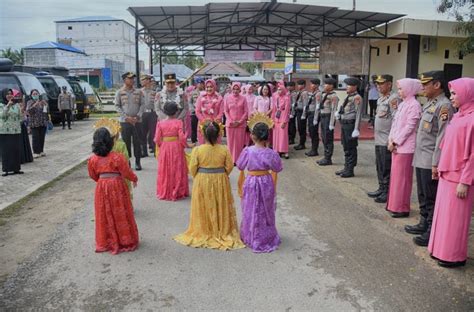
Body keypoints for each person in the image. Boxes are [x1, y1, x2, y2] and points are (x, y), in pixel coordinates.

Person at [173, 120, 245, 250]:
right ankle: (220, 229)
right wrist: (222, 174)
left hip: (202, 179)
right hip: (220, 179)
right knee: (219, 203)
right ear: (218, 135)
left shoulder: (197, 150)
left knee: (204, 204)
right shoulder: (224, 149)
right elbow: (229, 166)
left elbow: (192, 168)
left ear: (203, 135)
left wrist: (199, 176)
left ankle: (205, 230)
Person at [428, 77, 474, 268]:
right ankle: (439, 249)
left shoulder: (472, 118)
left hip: (459, 178)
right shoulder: (459, 115)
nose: (452, 97)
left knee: (455, 220)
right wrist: (439, 165)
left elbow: (473, 154)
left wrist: (465, 180)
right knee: (443, 216)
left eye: (455, 93)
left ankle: (453, 255)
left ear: (467, 93)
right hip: (448, 174)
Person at [405, 71, 454, 246]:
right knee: (423, 194)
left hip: (430, 159)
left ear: (437, 85)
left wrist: (436, 163)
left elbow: (442, 137)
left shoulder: (444, 106)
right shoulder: (430, 104)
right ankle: (423, 222)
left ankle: (431, 229)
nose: (422, 87)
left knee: (431, 196)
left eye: (426, 84)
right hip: (421, 157)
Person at [87, 127, 139, 255]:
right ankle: (124, 240)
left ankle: (107, 241)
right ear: (110, 142)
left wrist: (102, 181)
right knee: (120, 211)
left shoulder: (92, 159)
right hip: (117, 186)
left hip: (102, 186)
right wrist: (134, 178)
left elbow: (93, 175)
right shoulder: (118, 157)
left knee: (104, 213)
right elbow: (126, 172)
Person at [237, 119, 283, 253]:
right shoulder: (271, 153)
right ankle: (265, 236)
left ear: (252, 136)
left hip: (251, 181)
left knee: (251, 207)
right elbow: (278, 167)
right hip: (266, 182)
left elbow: (240, 165)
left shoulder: (248, 151)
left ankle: (250, 235)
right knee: (265, 209)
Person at [386, 78, 422, 218]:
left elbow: (409, 127)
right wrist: (390, 140)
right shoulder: (403, 104)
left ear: (409, 89)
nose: (399, 91)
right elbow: (395, 124)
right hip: (395, 146)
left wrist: (396, 142)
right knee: (395, 178)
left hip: (405, 147)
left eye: (401, 89)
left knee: (403, 180)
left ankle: (402, 207)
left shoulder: (414, 105)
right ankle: (393, 205)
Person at [367, 75, 399, 203]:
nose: (378, 86)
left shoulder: (393, 99)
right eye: (377, 84)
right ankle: (381, 188)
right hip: (378, 139)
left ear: (389, 85)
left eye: (381, 83)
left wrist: (392, 139)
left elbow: (396, 120)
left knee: (386, 167)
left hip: (386, 139)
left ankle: (387, 192)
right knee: (379, 166)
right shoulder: (381, 99)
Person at [154, 102, 189, 201]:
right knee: (177, 167)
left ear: (165, 111)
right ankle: (178, 190)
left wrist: (162, 145)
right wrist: (184, 145)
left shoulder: (160, 123)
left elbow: (157, 139)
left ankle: (165, 190)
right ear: (176, 111)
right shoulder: (178, 122)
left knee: (165, 168)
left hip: (165, 146)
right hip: (176, 146)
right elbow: (182, 137)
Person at [115, 72, 144, 171]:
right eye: (130, 78)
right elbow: (117, 106)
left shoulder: (139, 91)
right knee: (126, 143)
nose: (132, 80)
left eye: (133, 78)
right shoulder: (120, 92)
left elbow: (142, 105)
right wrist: (126, 117)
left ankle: (138, 162)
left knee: (137, 142)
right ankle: (127, 162)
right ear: (124, 80)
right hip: (125, 121)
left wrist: (138, 116)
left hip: (137, 121)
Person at [335, 77, 363, 178]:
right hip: (345, 124)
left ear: (355, 87)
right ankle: (346, 167)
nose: (346, 87)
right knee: (346, 146)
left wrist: (356, 129)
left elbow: (358, 114)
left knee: (351, 147)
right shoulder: (349, 97)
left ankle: (350, 169)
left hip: (351, 125)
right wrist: (339, 114)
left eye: (349, 85)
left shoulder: (357, 98)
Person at [315, 77, 339, 166]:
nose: (324, 86)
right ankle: (325, 156)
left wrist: (332, 123)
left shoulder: (334, 96)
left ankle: (328, 158)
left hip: (328, 118)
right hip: (323, 117)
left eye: (326, 84)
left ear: (331, 86)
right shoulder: (324, 94)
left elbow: (333, 110)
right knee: (324, 137)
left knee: (328, 138)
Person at [0, 88, 23, 176]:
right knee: (6, 150)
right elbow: (2, 116)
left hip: (15, 130)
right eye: (7, 94)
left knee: (15, 150)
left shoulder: (16, 105)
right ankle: (6, 169)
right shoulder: (1, 105)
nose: (9, 95)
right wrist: (8, 106)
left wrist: (21, 110)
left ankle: (16, 169)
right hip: (5, 131)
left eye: (11, 93)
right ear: (3, 95)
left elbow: (20, 118)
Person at [224, 82, 248, 163]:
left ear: (240, 90)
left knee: (239, 143)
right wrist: (230, 120)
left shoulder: (243, 98)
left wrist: (240, 121)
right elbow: (226, 111)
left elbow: (246, 112)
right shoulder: (227, 98)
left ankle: (238, 160)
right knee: (230, 143)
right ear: (231, 89)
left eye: (237, 89)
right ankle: (230, 160)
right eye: (234, 89)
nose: (235, 90)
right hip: (230, 125)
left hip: (240, 125)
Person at [194, 79, 224, 144]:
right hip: (203, 125)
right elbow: (197, 111)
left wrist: (214, 121)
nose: (209, 89)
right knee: (203, 147)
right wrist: (204, 121)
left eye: (211, 87)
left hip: (215, 125)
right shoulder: (201, 97)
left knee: (215, 146)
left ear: (214, 87)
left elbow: (221, 112)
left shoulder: (219, 98)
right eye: (207, 87)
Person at [27, 89, 49, 158]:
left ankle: (41, 151)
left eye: (36, 94)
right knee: (35, 138)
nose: (35, 95)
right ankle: (36, 152)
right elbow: (28, 111)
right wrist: (35, 105)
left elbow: (45, 112)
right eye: (34, 94)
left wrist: (46, 105)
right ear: (31, 95)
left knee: (41, 137)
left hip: (42, 122)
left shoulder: (42, 102)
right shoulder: (29, 102)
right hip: (34, 123)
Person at [272, 81, 291, 159]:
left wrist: (284, 121)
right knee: (276, 135)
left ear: (283, 90)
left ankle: (285, 151)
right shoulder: (276, 98)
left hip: (283, 118)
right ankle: (277, 150)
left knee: (283, 135)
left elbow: (287, 110)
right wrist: (272, 120)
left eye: (280, 89)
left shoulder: (286, 98)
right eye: (278, 89)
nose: (279, 91)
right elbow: (274, 109)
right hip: (276, 118)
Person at [140, 74, 157, 157]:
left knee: (154, 132)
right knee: (142, 133)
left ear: (148, 81)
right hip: (142, 113)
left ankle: (154, 150)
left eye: (143, 80)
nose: (142, 81)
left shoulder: (154, 92)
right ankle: (144, 151)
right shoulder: (139, 92)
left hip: (152, 113)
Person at [304, 79, 321, 157]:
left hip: (314, 114)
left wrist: (315, 118)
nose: (311, 86)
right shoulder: (314, 93)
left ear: (317, 85)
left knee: (314, 132)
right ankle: (313, 149)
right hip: (310, 114)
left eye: (312, 84)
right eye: (311, 84)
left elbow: (318, 107)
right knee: (311, 132)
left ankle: (314, 150)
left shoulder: (318, 94)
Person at [16, 90, 33, 164]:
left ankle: (26, 157)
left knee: (24, 142)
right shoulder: (14, 106)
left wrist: (23, 110)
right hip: (16, 126)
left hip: (22, 125)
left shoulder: (22, 105)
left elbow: (25, 117)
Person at [294, 80, 309, 150]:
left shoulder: (305, 93)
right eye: (298, 84)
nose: (298, 86)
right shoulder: (300, 92)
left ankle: (302, 144)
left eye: (300, 84)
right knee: (299, 128)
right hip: (298, 111)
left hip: (302, 112)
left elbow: (305, 104)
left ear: (303, 85)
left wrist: (304, 114)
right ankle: (300, 143)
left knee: (302, 128)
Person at [189, 77, 205, 143]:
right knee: (194, 127)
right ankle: (194, 140)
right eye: (199, 83)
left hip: (204, 113)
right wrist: (193, 109)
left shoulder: (206, 92)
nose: (200, 85)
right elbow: (190, 102)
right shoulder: (193, 93)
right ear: (196, 84)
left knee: (203, 127)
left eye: (201, 83)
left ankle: (203, 139)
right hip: (194, 113)